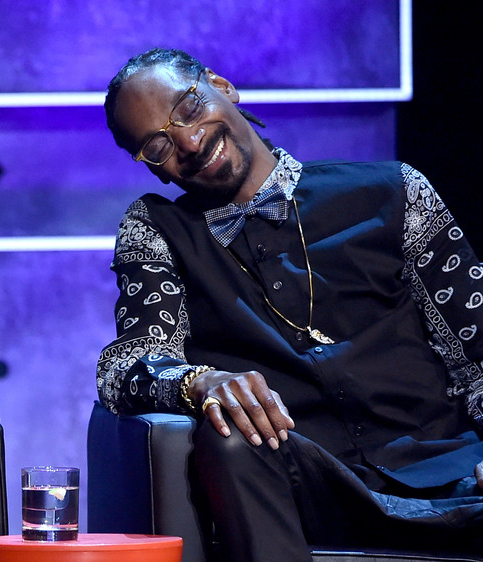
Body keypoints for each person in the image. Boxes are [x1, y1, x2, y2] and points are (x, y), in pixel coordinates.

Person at [97, 48, 483, 561]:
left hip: (453, 476)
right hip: (306, 489)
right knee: (229, 432)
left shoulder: (393, 192)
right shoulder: (159, 233)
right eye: (157, 145)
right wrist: (200, 382)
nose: (189, 141)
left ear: (222, 86)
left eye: (189, 108)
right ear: (154, 170)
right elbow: (121, 369)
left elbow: (477, 348)